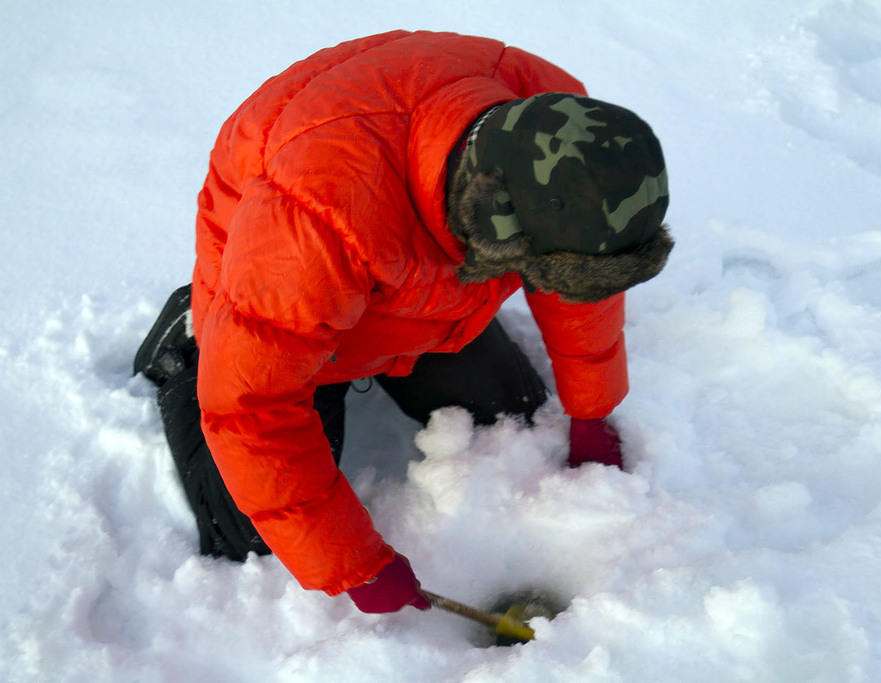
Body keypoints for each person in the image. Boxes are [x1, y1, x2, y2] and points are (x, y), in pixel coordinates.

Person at [134, 30, 671, 616]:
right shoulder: (313, 218)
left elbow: (579, 281)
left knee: (516, 422)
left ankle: (392, 339)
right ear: (494, 223)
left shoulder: (567, 132)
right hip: (278, 281)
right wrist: (352, 565)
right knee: (260, 537)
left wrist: (591, 409)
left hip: (408, 281)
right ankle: (190, 338)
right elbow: (251, 406)